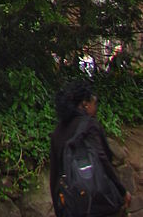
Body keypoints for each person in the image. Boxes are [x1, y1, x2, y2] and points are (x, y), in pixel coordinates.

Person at [50, 81, 131, 215]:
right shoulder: (90, 125)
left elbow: (55, 175)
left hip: (72, 206)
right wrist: (122, 191)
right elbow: (103, 159)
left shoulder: (58, 132)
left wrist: (59, 208)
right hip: (98, 202)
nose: (96, 108)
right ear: (85, 104)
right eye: (95, 103)